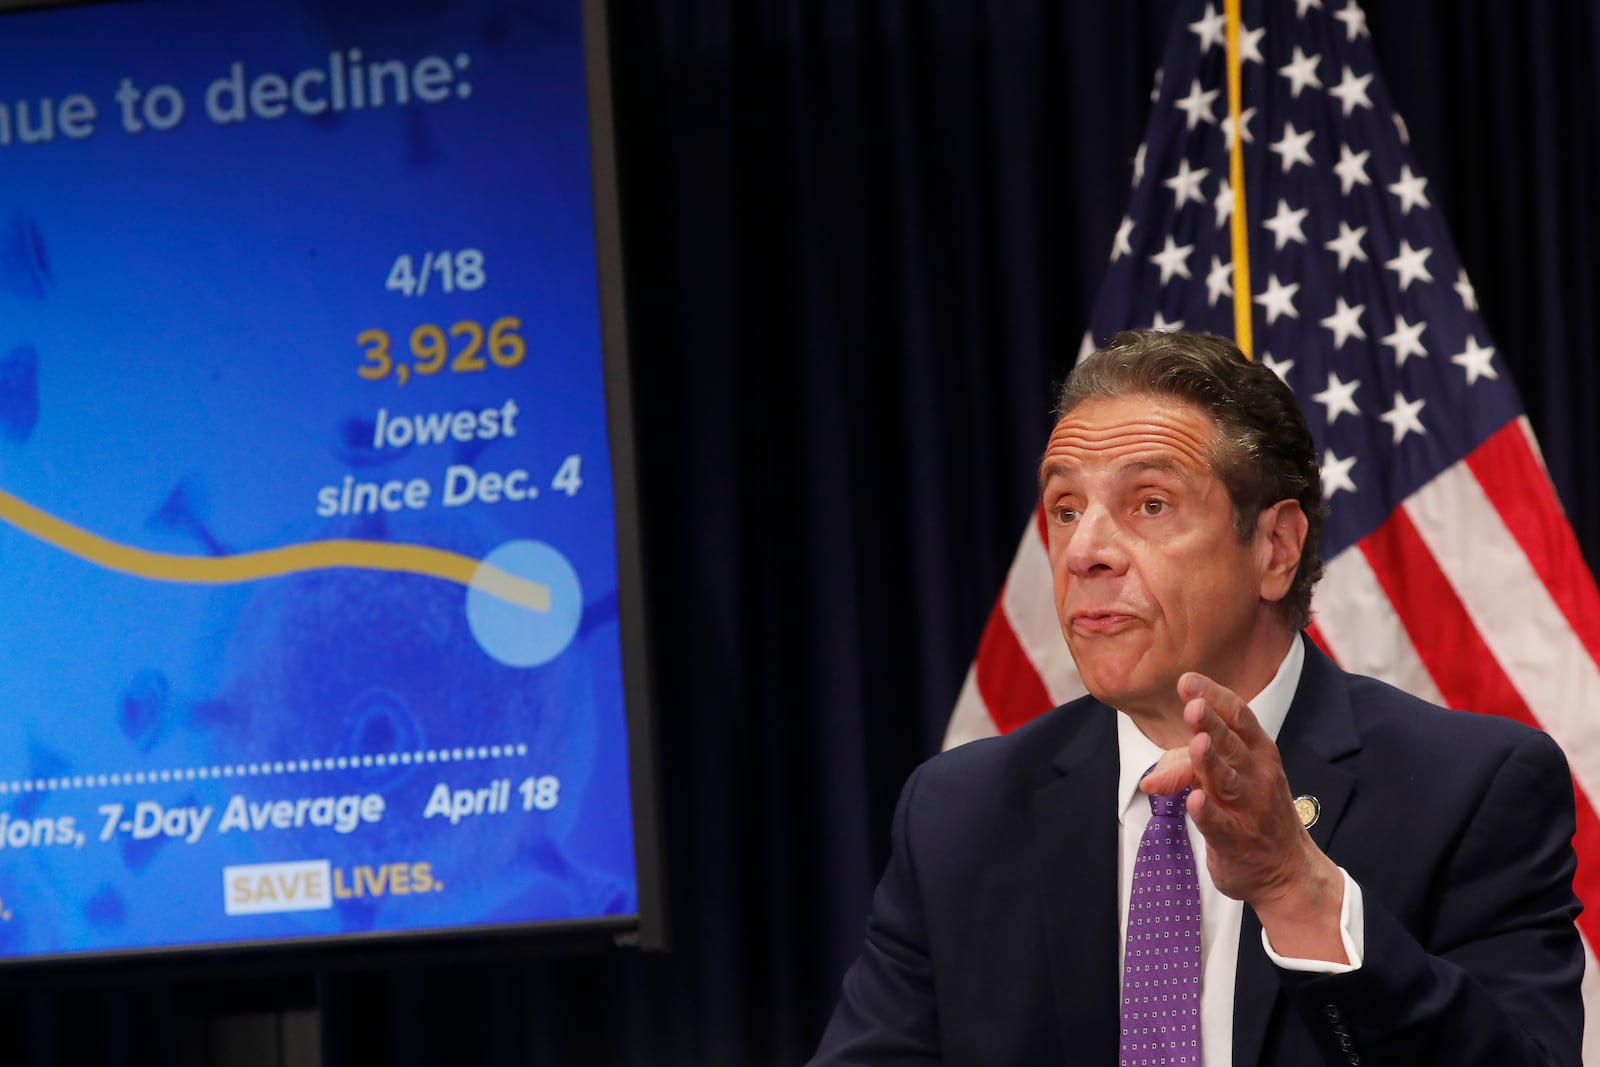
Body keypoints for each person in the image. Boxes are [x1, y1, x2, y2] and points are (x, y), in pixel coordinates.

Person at [808, 329, 1583, 1066]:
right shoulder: (956, 814)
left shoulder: (1472, 789)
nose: (1083, 552)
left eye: (1150, 503)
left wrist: (1297, 888)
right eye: (1066, 509)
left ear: (1275, 548)